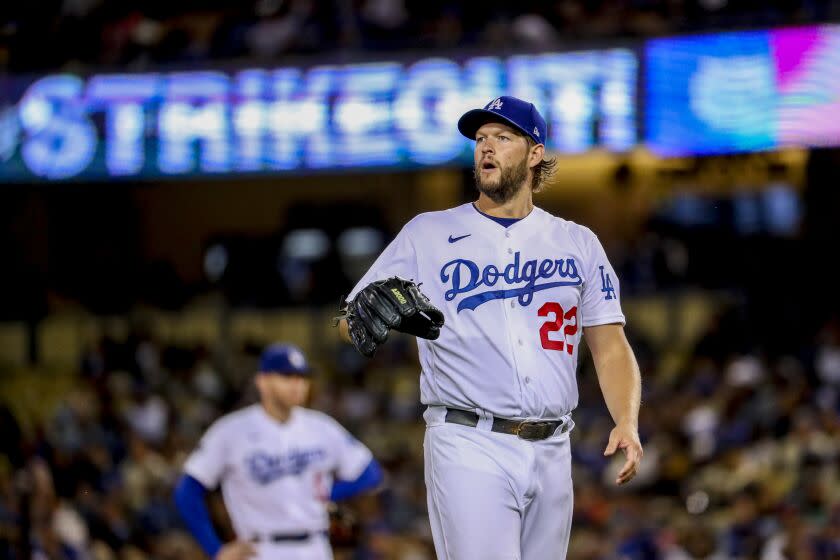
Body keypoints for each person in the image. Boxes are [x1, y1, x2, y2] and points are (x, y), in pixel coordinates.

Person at [338, 95, 643, 559]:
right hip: (468, 442)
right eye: (481, 139)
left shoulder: (577, 241)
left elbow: (610, 345)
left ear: (535, 153)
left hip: (553, 445)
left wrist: (626, 420)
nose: (487, 148)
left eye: (502, 138)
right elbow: (348, 322)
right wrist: (364, 317)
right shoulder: (429, 233)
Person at [173, 343, 383, 560]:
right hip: (260, 548)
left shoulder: (322, 427)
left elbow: (370, 472)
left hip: (315, 546)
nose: (297, 385)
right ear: (262, 382)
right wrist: (215, 550)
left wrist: (328, 493)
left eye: (302, 377)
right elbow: (187, 492)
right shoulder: (231, 430)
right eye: (287, 377)